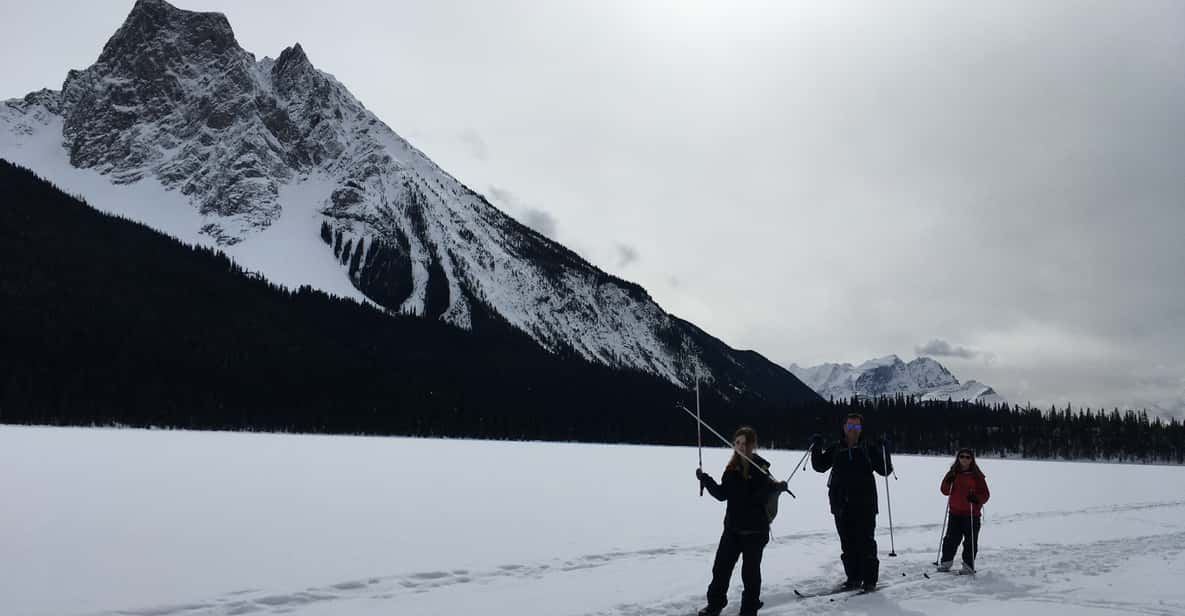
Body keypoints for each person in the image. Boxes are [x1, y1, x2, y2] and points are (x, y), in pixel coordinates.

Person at [695, 426, 787, 616]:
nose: (741, 447)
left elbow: (756, 499)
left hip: (755, 531)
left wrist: (774, 487)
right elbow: (722, 495)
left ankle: (749, 609)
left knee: (750, 574)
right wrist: (706, 480)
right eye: (737, 443)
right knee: (720, 569)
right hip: (732, 529)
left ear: (752, 445)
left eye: (745, 443)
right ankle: (715, 605)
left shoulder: (761, 468)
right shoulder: (731, 470)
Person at [809, 412, 892, 592]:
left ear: (861, 429)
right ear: (844, 428)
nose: (853, 430)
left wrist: (885, 449)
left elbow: (885, 470)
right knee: (847, 543)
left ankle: (869, 581)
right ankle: (853, 578)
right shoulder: (836, 448)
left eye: (856, 426)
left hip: (865, 504)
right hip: (840, 504)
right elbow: (820, 466)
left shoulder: (868, 448)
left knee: (866, 542)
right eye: (850, 426)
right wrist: (816, 447)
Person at [937, 448, 990, 574]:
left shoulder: (977, 476)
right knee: (950, 539)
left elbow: (985, 494)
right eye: (962, 456)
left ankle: (968, 565)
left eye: (967, 457)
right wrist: (948, 482)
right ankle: (946, 562)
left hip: (971, 514)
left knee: (970, 541)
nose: (964, 459)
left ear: (972, 460)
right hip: (955, 512)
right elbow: (944, 490)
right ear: (958, 458)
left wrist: (976, 498)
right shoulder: (953, 473)